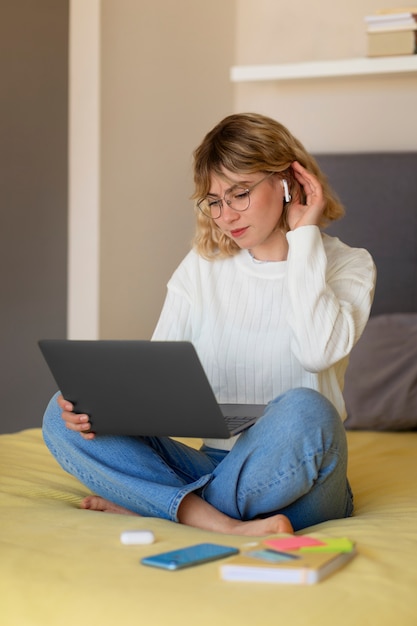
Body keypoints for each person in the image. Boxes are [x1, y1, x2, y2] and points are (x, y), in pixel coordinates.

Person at [42, 112, 376, 536]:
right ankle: (220, 522)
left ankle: (169, 507)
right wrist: (103, 407)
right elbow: (154, 385)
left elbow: (317, 351)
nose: (226, 215)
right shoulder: (203, 267)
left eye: (240, 194)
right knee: (62, 413)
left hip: (302, 479)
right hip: (212, 463)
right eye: (215, 201)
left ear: (289, 181)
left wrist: (304, 239)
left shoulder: (349, 265)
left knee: (307, 410)